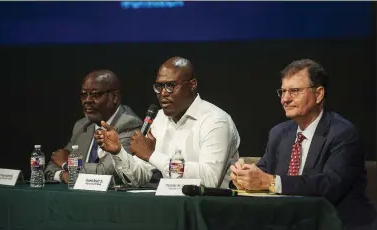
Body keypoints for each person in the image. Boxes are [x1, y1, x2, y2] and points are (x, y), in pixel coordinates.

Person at [230, 59, 376, 229]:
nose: (285, 99)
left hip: (335, 222)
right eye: (282, 91)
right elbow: (263, 171)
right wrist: (244, 176)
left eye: (294, 91)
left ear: (319, 94)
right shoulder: (279, 133)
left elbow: (329, 186)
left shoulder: (343, 133)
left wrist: (270, 182)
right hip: (289, 222)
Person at [95, 57, 240, 188]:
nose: (163, 93)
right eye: (159, 86)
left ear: (192, 84)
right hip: (172, 205)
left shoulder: (215, 121)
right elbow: (140, 177)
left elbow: (210, 179)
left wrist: (152, 156)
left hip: (209, 210)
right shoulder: (160, 119)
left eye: (170, 85)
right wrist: (118, 152)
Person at [44, 70, 142, 183]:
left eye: (95, 95)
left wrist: (67, 165)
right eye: (84, 95)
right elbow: (53, 164)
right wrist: (63, 175)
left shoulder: (130, 125)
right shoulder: (82, 125)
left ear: (114, 97)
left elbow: (105, 174)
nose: (87, 100)